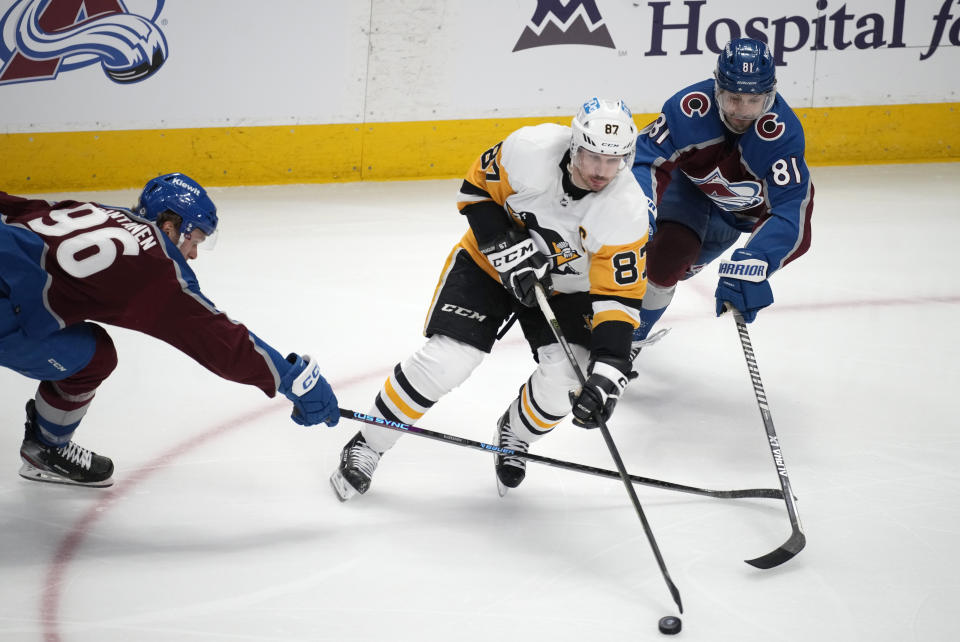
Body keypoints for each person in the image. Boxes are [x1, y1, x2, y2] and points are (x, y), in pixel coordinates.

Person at [330, 97, 656, 501]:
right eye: (592, 156)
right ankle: (368, 443)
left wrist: (609, 371)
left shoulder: (626, 209)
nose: (602, 171)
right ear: (575, 144)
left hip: (567, 290)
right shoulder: (529, 150)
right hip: (489, 264)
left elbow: (618, 299)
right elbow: (474, 193)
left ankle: (513, 434)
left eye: (614, 161)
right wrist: (506, 248)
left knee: (570, 380)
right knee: (448, 359)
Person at [0, 172, 339, 488]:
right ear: (170, 224)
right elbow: (219, 339)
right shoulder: (155, 266)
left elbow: (23, 208)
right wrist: (292, 379)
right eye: (195, 239)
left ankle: (46, 448)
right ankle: (47, 448)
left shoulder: (98, 210)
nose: (193, 254)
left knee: (94, 355)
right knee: (93, 358)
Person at [629, 37, 813, 356]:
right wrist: (640, 211)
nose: (742, 112)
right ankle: (627, 340)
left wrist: (756, 259)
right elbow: (644, 156)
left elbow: (791, 209)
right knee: (666, 260)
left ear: (770, 95)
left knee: (683, 268)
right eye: (733, 99)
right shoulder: (688, 107)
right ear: (716, 89)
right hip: (689, 192)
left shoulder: (783, 136)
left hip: (735, 218)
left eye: (754, 101)